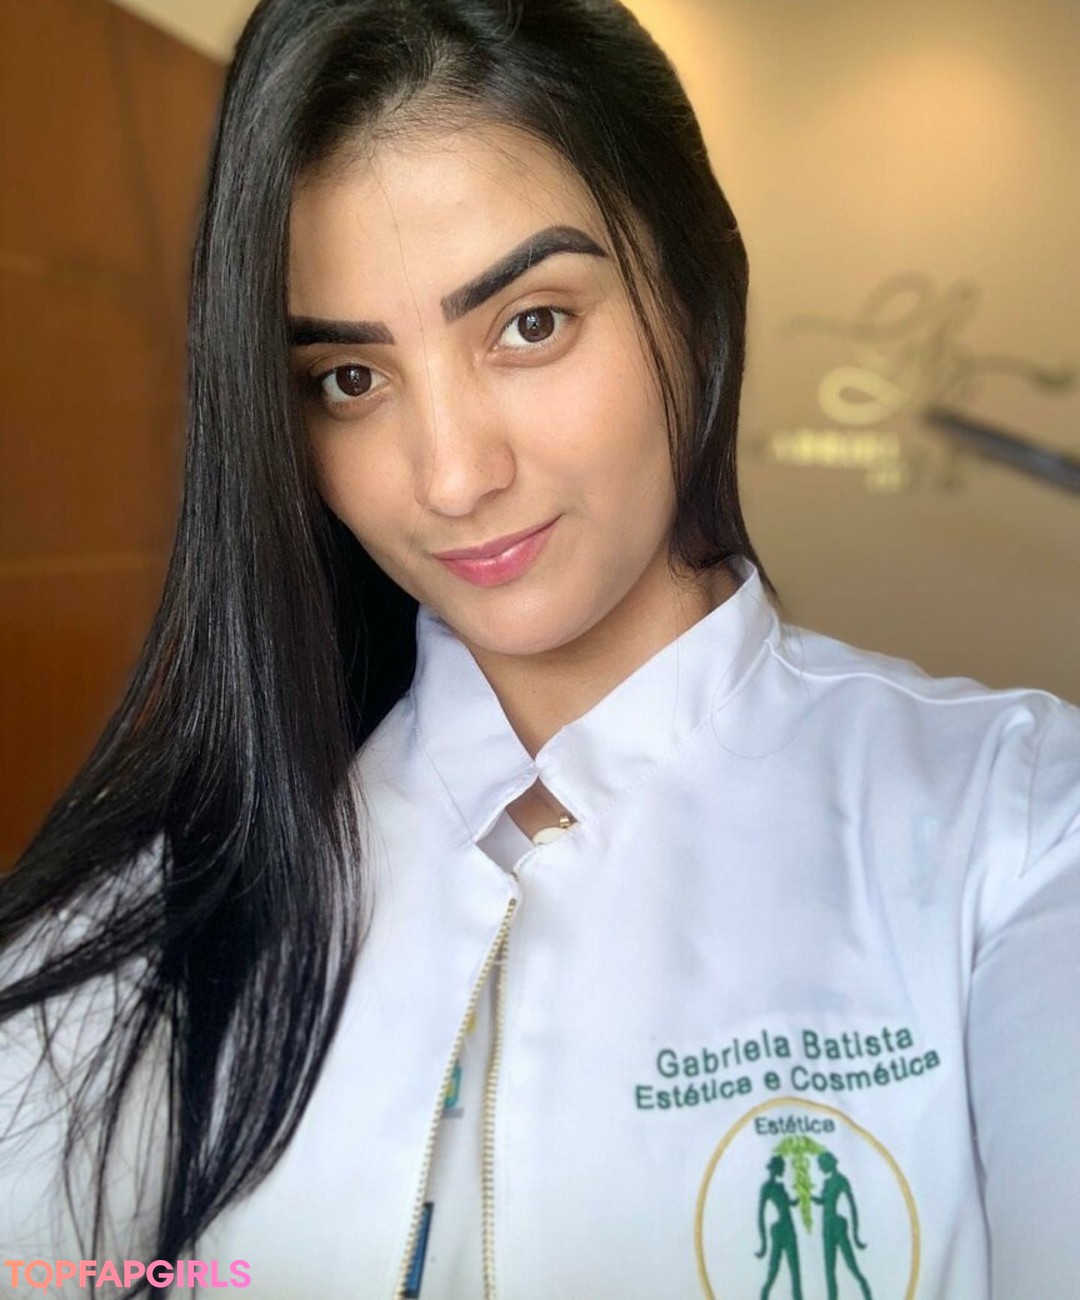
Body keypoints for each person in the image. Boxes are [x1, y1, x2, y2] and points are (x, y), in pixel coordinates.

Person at [1, 0, 1078, 1296]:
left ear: (695, 288)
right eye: (351, 378)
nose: (454, 476)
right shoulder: (158, 923)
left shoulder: (1016, 828)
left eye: (530, 323)